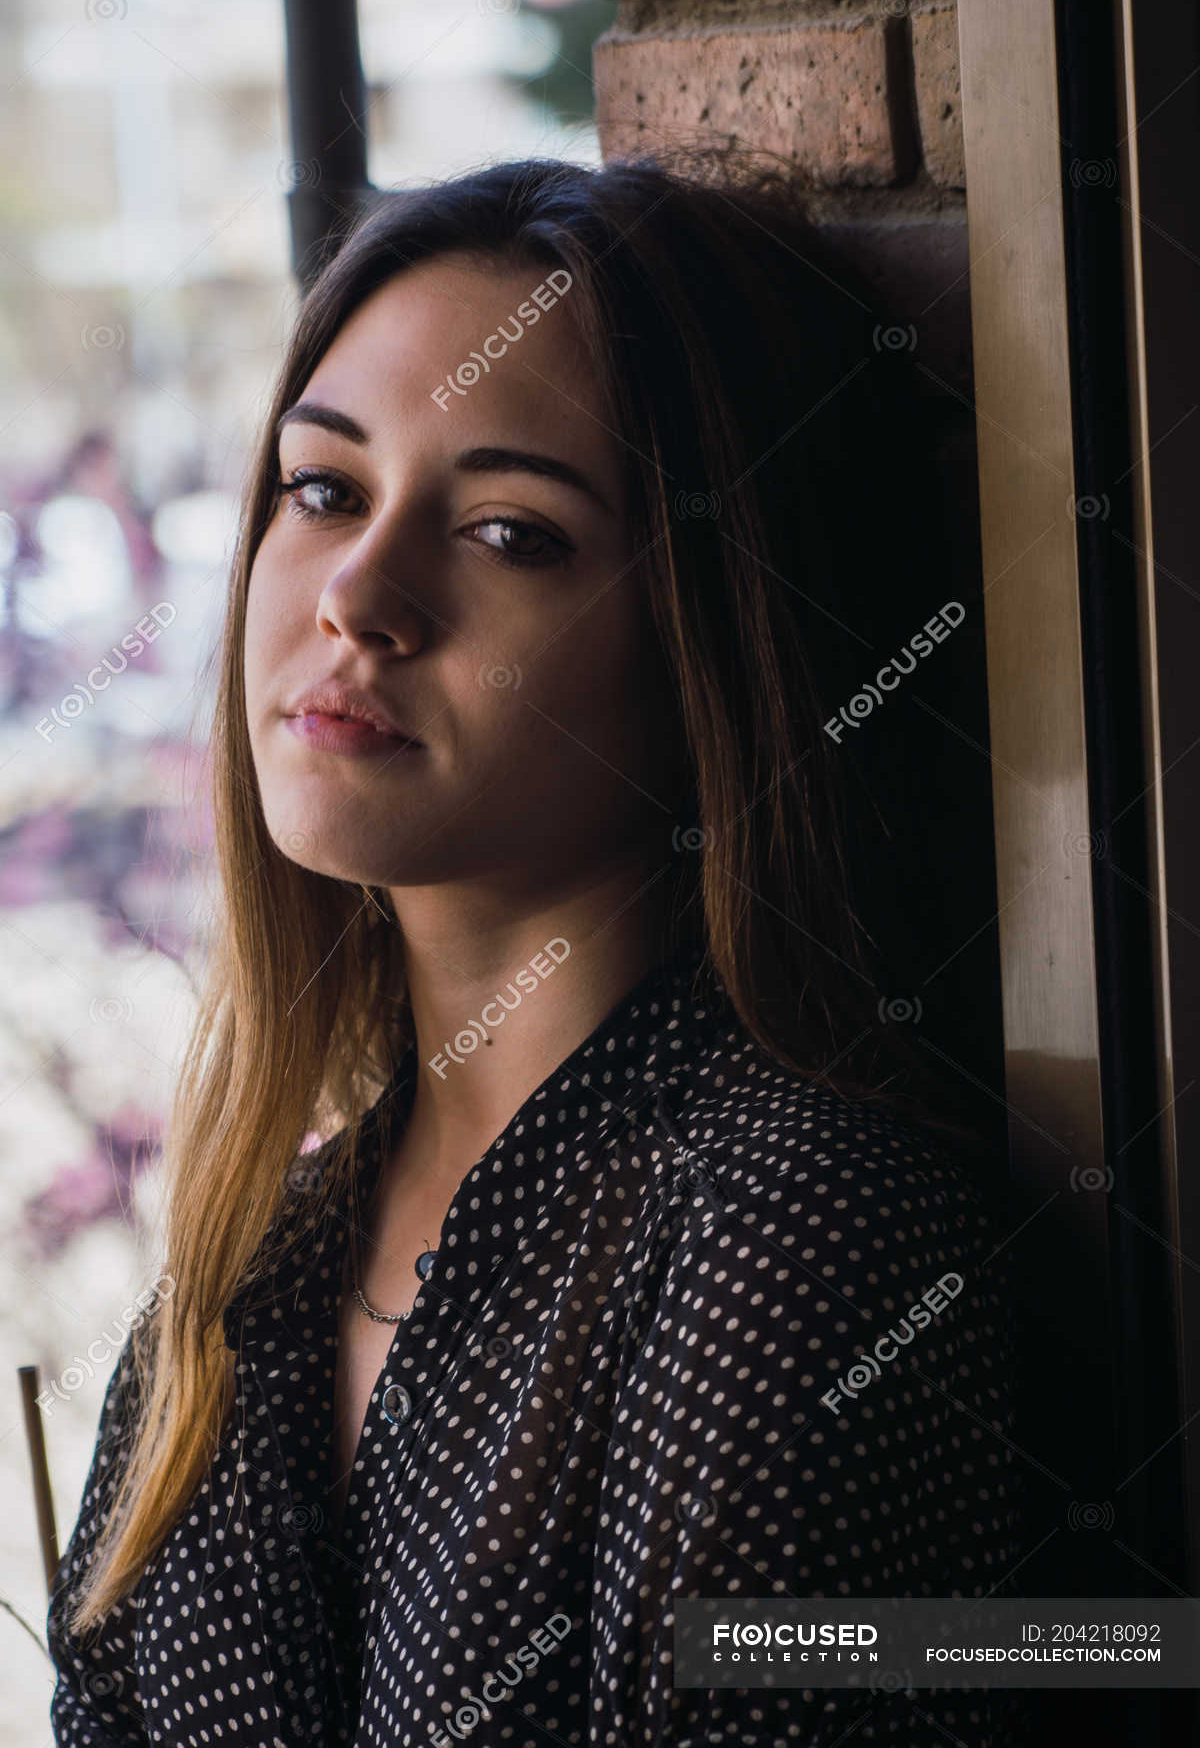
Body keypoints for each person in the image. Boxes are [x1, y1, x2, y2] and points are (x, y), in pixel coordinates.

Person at [46, 152, 1031, 1746]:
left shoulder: (789, 1244)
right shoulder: (242, 1285)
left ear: (708, 638)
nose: (360, 595)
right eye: (323, 489)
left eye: (512, 534)